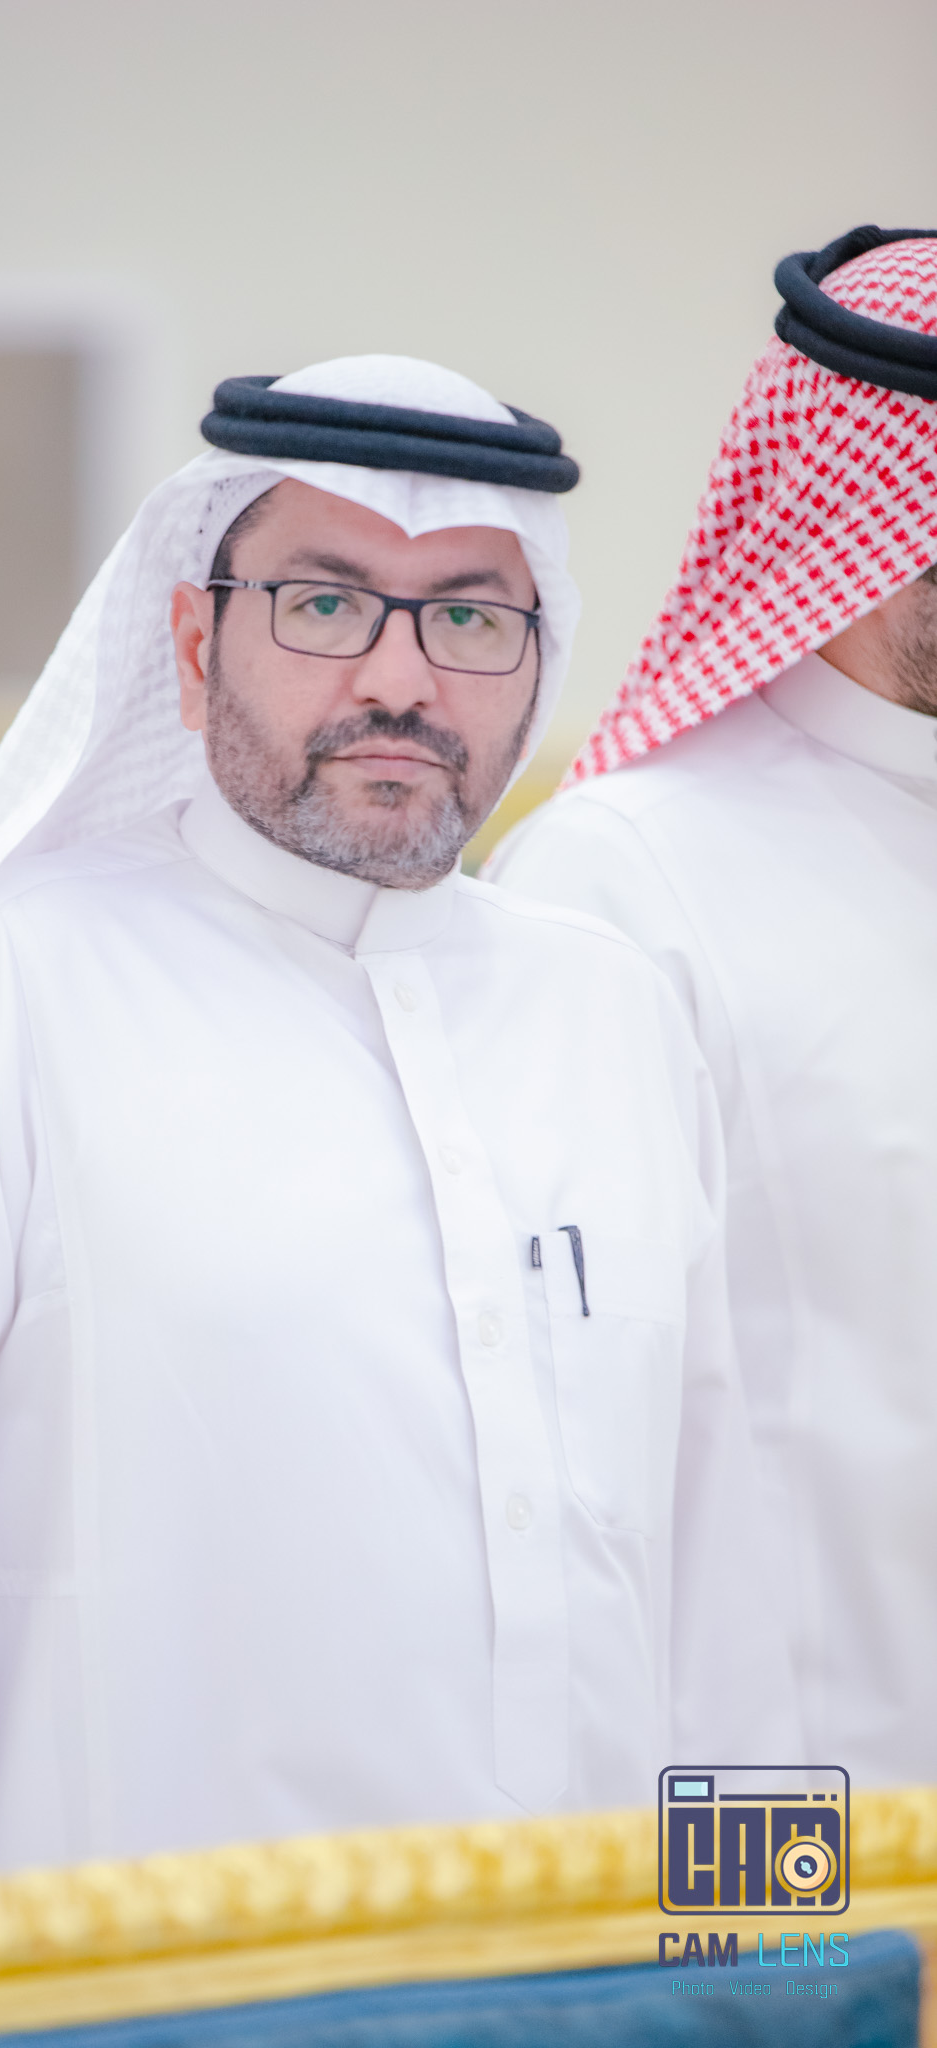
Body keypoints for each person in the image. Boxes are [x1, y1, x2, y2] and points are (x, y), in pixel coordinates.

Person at [0, 357, 795, 1914]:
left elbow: (711, 1576)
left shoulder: (611, 1013)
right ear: (193, 646)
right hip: (143, 1990)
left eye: (469, 618)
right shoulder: (1, 995)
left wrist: (759, 1976)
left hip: (574, 1990)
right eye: (323, 605)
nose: (401, 679)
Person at [491, 229, 937, 1786]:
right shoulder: (615, 878)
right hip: (794, 1826)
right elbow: (556, 1468)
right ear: (871, 515)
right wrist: (733, 1889)